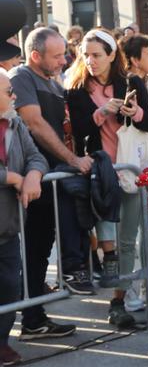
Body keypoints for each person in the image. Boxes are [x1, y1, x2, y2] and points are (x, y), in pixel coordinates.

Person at [63, 28, 148, 327]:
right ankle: (113, 286)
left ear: (112, 55)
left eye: (96, 55)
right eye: (85, 55)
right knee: (108, 239)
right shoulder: (77, 87)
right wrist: (101, 112)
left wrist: (136, 111)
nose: (90, 61)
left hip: (129, 167)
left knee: (128, 238)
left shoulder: (130, 82)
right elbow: (78, 131)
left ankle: (120, 299)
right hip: (100, 173)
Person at [12, 28, 95, 307]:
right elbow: (34, 124)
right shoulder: (21, 77)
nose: (64, 61)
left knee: (42, 245)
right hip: (34, 179)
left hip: (51, 176)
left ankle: (35, 318)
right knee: (35, 247)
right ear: (35, 56)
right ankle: (33, 315)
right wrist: (73, 161)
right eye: (57, 56)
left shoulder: (54, 83)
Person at [0, 70, 49, 367]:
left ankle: (2, 343)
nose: (14, 95)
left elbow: (36, 155)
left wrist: (33, 175)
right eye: (8, 91)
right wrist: (10, 177)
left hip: (7, 226)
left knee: (9, 286)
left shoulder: (15, 123)